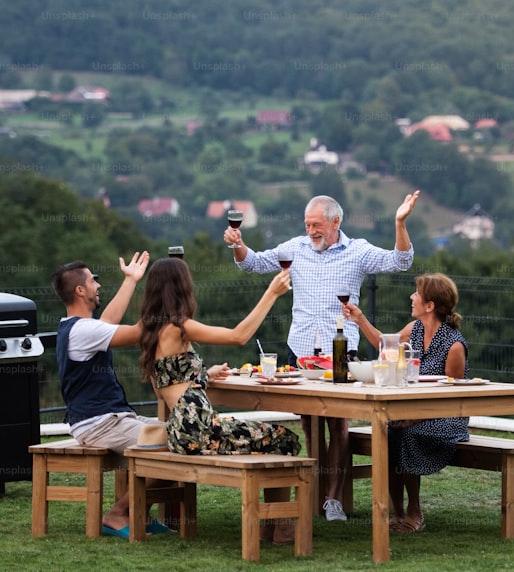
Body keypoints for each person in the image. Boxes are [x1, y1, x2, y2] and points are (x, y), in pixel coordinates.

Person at [224, 191, 420, 521]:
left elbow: (400, 261)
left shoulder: (357, 251)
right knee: (310, 423)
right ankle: (314, 491)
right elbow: (253, 263)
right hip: (300, 348)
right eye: (307, 224)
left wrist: (399, 223)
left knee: (338, 423)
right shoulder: (295, 249)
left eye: (316, 224)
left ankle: (333, 500)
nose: (311, 230)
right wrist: (237, 244)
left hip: (340, 350)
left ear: (335, 222)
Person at [137, 257, 300, 543]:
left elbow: (168, 387)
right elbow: (239, 336)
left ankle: (273, 524)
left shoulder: (152, 333)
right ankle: (280, 526)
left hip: (182, 430)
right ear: (181, 287)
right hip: (200, 431)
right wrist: (272, 293)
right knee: (284, 438)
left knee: (273, 437)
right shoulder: (180, 327)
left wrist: (203, 376)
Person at [52, 252, 172, 539]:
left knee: (181, 434)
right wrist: (164, 294)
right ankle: (118, 513)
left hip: (107, 419)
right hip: (98, 423)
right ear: (80, 290)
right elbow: (136, 333)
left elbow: (108, 320)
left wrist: (131, 280)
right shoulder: (82, 330)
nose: (98, 285)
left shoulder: (79, 328)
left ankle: (137, 512)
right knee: (175, 441)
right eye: (94, 280)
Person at [342, 272, 468, 534]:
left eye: (416, 294)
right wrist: (359, 318)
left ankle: (414, 510)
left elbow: (454, 400)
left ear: (430, 305)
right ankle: (397, 512)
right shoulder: (415, 329)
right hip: (412, 412)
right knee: (389, 432)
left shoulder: (454, 345)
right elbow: (384, 344)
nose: (411, 297)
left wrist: (415, 418)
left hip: (445, 419)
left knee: (407, 432)